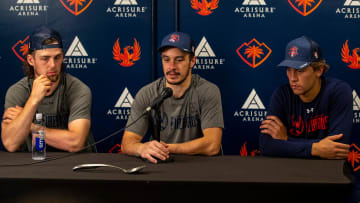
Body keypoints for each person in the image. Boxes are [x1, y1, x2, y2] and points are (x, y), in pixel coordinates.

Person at [121, 32, 224, 163]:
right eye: (166, 59)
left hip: (200, 166)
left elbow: (212, 145)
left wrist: (163, 149)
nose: (172, 67)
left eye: (179, 60)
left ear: (192, 61)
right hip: (160, 165)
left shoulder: (207, 91)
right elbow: (127, 143)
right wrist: (141, 148)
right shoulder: (147, 93)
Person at [1, 26, 93, 153]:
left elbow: (75, 143)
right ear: (31, 60)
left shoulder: (78, 89)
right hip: (34, 165)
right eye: (45, 58)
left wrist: (31, 126)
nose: (53, 65)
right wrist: (33, 99)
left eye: (57, 57)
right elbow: (10, 143)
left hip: (75, 165)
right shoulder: (18, 91)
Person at [259, 36, 352, 159]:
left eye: (299, 71)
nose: (292, 78)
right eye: (288, 70)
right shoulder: (282, 94)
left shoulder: (338, 92)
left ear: (319, 70)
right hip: (289, 173)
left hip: (328, 174)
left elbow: (336, 149)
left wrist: (286, 139)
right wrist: (315, 148)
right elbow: (266, 145)